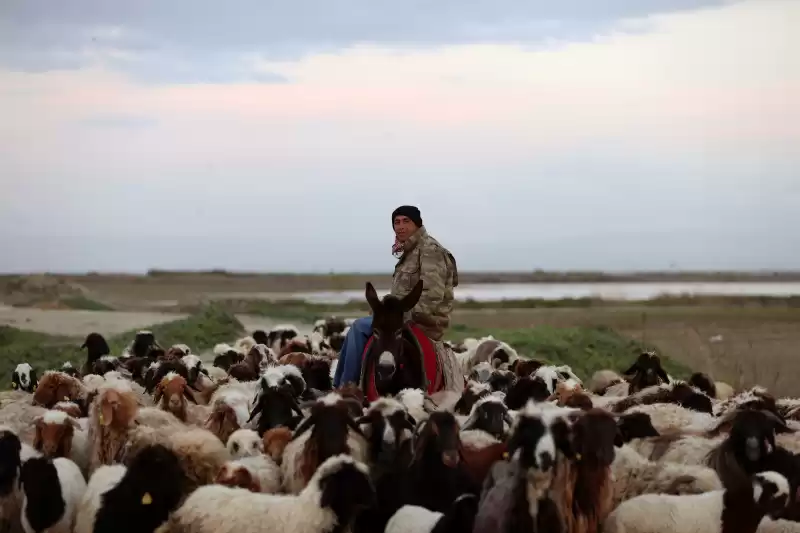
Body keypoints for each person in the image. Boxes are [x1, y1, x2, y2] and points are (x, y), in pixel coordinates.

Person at [333, 205, 460, 389]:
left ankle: (348, 387)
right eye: (396, 222)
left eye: (406, 221)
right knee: (360, 326)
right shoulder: (409, 253)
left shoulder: (429, 251)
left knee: (360, 328)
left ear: (417, 224)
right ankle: (339, 384)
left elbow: (432, 297)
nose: (400, 226)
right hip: (403, 319)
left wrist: (396, 318)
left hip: (425, 322)